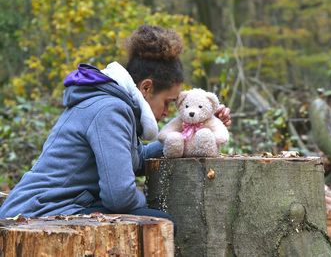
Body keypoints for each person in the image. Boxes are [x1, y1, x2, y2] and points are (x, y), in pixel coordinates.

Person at [0, 25, 231, 232]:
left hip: (56, 207)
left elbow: (135, 158)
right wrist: (146, 203)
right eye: (169, 102)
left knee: (154, 221)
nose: (169, 112)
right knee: (160, 224)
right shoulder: (110, 110)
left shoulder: (113, 104)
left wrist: (193, 129)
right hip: (37, 213)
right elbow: (119, 197)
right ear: (146, 88)